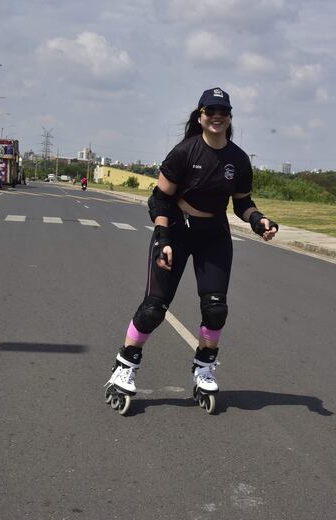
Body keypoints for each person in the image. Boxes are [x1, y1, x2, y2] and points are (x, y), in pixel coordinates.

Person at [104, 87, 279, 411]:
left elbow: (242, 203)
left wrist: (259, 220)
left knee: (215, 308)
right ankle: (124, 367)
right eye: (210, 111)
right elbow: (159, 198)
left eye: (222, 112)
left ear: (229, 118)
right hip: (175, 229)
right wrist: (163, 237)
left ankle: (204, 367)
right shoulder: (184, 152)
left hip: (214, 233)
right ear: (200, 116)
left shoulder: (238, 160)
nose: (216, 116)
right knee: (154, 307)